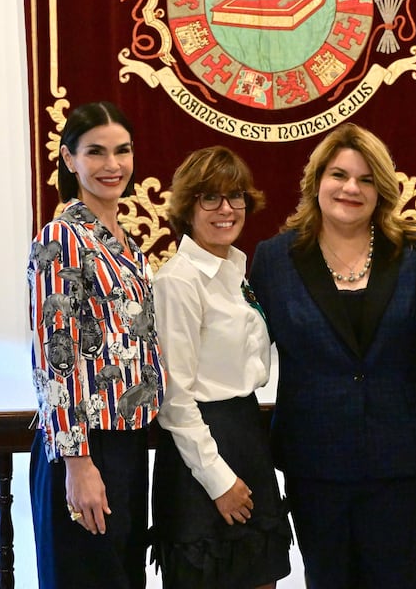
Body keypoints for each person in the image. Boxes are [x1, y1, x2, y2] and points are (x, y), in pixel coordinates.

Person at [249, 123, 416, 589]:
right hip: (316, 465)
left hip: (404, 465)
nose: (351, 188)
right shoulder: (274, 259)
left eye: (366, 178)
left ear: (383, 190)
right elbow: (242, 354)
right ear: (316, 182)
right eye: (339, 175)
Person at [28, 101, 167, 588]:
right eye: (96, 152)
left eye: (122, 151)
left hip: (126, 443)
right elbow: (55, 354)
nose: (113, 165)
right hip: (84, 447)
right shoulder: (61, 238)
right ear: (69, 159)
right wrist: (78, 462)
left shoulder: (125, 244)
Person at [150, 146, 291, 588]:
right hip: (202, 453)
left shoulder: (236, 272)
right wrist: (218, 480)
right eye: (209, 198)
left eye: (235, 197)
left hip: (247, 433)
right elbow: (175, 399)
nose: (225, 209)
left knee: (261, 577)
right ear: (187, 207)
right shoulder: (179, 280)